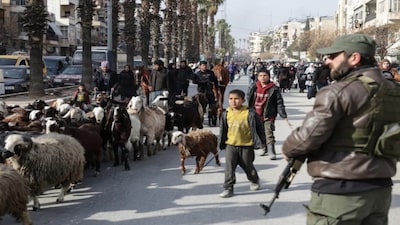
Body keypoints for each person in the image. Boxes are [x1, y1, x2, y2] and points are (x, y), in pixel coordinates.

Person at [282, 33, 400, 225]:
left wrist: (289, 148)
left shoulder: (337, 92)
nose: (327, 60)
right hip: (380, 190)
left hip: (339, 193)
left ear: (354, 58)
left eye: (334, 55)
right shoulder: (394, 90)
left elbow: (307, 138)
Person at [219, 89, 266, 198]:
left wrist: (262, 142)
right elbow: (223, 130)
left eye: (236, 99)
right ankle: (228, 188)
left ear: (243, 100)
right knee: (229, 168)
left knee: (248, 166)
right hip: (231, 145)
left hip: (246, 145)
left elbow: (259, 128)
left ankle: (254, 180)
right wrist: (221, 144)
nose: (233, 101)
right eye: (230, 99)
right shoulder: (226, 113)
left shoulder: (250, 113)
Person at [247, 68, 288, 160]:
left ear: (269, 77)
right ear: (257, 77)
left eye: (265, 75)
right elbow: (249, 98)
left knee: (269, 133)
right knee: (259, 132)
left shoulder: (274, 88)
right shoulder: (253, 87)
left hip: (268, 115)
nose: (263, 78)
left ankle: (271, 151)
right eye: (260, 76)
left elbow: (279, 102)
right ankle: (263, 148)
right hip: (256, 114)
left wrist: (283, 114)